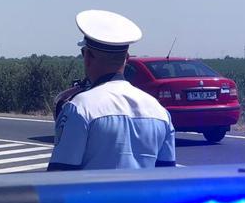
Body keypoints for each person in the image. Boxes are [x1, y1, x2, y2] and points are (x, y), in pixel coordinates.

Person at [48, 9, 176, 171]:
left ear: (88, 57)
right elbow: (167, 176)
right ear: (127, 59)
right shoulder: (159, 111)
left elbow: (59, 175)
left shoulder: (79, 108)